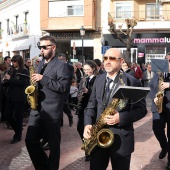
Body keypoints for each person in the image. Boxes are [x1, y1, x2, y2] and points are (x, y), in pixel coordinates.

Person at [83, 48, 147, 170]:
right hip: (98, 138)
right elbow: (91, 105)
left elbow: (141, 110)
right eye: (105, 58)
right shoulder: (99, 79)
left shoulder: (132, 82)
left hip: (121, 140)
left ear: (121, 61)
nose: (107, 61)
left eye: (112, 58)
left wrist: (120, 118)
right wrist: (87, 124)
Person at [148, 52, 170, 170]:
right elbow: (151, 86)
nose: (168, 63)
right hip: (158, 106)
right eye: (167, 61)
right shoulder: (159, 72)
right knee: (157, 129)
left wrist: (168, 85)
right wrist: (154, 97)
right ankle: (164, 146)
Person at [2, 55, 29, 143]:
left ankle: (17, 136)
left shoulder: (24, 71)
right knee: (6, 115)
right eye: (12, 61)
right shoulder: (11, 70)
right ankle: (18, 129)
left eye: (14, 62)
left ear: (19, 62)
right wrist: (4, 82)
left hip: (19, 97)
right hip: (10, 96)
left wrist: (10, 79)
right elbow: (9, 82)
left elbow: (23, 83)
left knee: (18, 117)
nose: (13, 63)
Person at [58, 53, 73, 126]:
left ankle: (70, 117)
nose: (60, 61)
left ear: (65, 59)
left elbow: (70, 77)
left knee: (64, 104)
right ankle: (60, 122)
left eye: (61, 59)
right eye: (59, 59)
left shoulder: (70, 67)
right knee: (59, 105)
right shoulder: (57, 67)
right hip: (58, 88)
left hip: (65, 89)